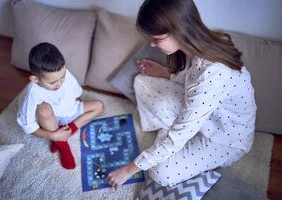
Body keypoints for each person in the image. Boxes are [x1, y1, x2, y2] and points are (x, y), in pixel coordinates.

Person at [107, 0, 256, 188]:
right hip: (204, 116)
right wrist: (165, 72)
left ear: (177, 30)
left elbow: (204, 84)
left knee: (160, 172)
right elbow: (193, 80)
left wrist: (128, 170)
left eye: (156, 39)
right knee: (142, 82)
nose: (152, 45)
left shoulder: (215, 72)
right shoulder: (195, 46)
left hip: (226, 139)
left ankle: (169, 142)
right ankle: (170, 140)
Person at [17, 42, 104, 170]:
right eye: (52, 82)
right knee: (44, 109)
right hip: (51, 122)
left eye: (62, 77)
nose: (59, 84)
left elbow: (77, 92)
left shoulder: (63, 73)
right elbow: (28, 126)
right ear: (35, 79)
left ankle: (69, 129)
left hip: (70, 110)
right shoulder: (32, 93)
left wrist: (77, 107)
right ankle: (62, 143)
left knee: (99, 106)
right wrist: (52, 135)